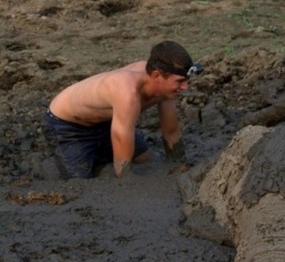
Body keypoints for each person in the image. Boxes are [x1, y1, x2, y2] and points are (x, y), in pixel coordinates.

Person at [45, 40, 202, 179]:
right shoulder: (128, 93)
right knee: (79, 182)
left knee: (146, 158)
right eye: (180, 81)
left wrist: (179, 165)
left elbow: (171, 131)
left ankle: (99, 153)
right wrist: (125, 185)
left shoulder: (165, 86)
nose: (185, 87)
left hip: (106, 122)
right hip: (68, 126)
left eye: (187, 81)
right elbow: (122, 152)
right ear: (157, 75)